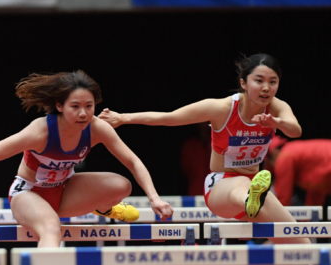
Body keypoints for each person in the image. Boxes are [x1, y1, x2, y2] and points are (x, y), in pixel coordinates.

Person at [0, 70, 174, 265]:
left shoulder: (98, 128)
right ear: (59, 106)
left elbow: (132, 161)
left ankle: (104, 207)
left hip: (64, 190)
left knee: (122, 185)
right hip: (29, 194)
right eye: (75, 106)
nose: (83, 113)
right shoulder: (40, 131)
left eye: (89, 106)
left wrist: (154, 198)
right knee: (51, 227)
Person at [99, 53, 306, 242]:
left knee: (300, 241)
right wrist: (123, 118)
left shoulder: (277, 107)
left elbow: (295, 131)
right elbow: (169, 118)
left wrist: (276, 122)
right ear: (243, 82)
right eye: (259, 81)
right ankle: (250, 198)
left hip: (254, 190)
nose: (266, 88)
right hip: (221, 187)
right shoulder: (221, 108)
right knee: (242, 183)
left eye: (273, 82)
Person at [265, 135, 331, 208]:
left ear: (274, 151)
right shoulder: (294, 151)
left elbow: (283, 197)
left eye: (268, 157)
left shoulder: (285, 157)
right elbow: (316, 189)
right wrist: (308, 217)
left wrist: (277, 216)